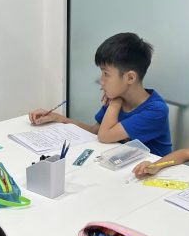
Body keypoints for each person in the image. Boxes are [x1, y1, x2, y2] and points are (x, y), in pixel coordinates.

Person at [29, 32, 172, 157]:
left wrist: (115, 103)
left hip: (152, 179)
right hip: (124, 168)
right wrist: (57, 118)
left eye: (106, 74)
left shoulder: (155, 110)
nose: (101, 81)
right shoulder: (120, 97)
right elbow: (95, 131)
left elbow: (104, 136)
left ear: (130, 78)